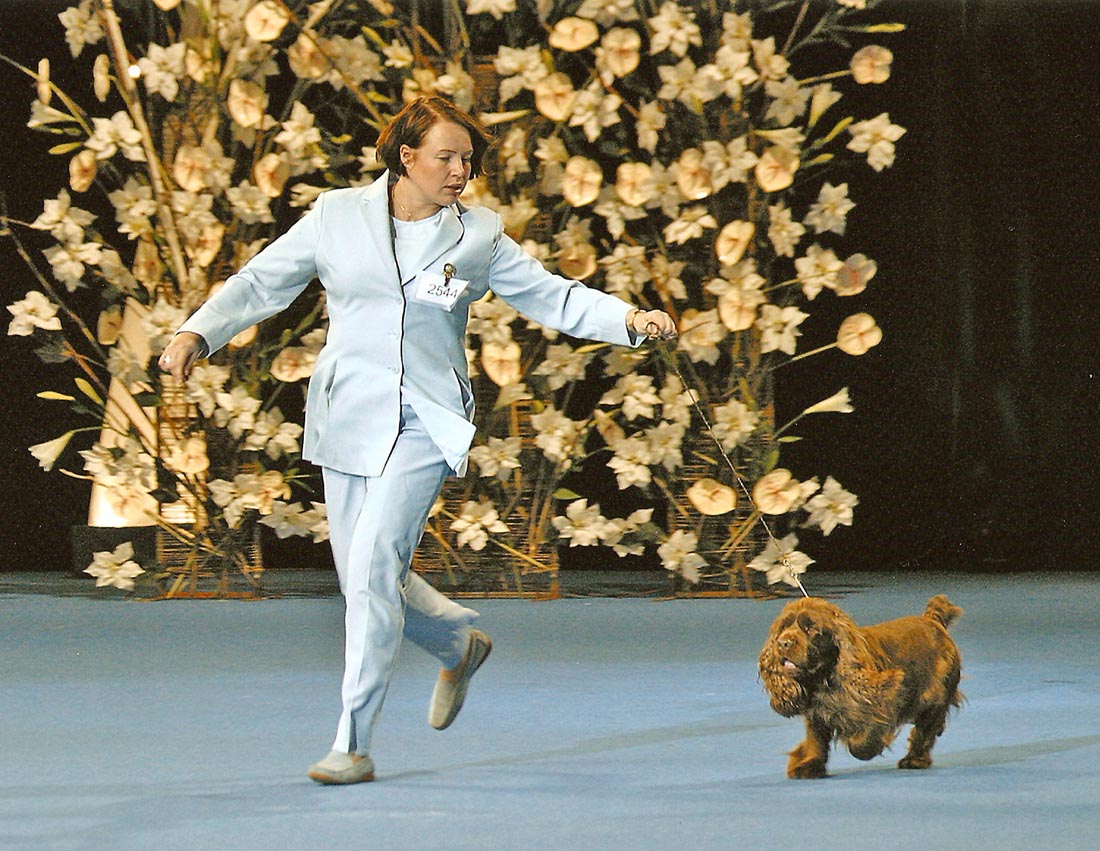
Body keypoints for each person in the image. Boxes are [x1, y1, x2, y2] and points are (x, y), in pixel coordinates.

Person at [158, 95, 677, 785]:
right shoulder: (336, 216)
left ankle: (351, 743)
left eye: (468, 160)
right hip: (347, 416)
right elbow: (261, 283)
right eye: (446, 157)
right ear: (406, 156)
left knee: (375, 564)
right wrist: (198, 331)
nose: (461, 171)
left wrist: (628, 320)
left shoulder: (478, 234)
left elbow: (551, 294)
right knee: (364, 577)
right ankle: (458, 644)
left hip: (427, 420)